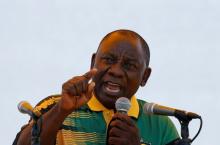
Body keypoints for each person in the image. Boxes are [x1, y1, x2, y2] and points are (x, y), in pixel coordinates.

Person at [14, 29, 179, 145]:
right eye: (108, 60)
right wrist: (60, 111)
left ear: (145, 76)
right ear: (93, 62)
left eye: (129, 65)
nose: (115, 71)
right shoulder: (54, 106)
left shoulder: (160, 124)